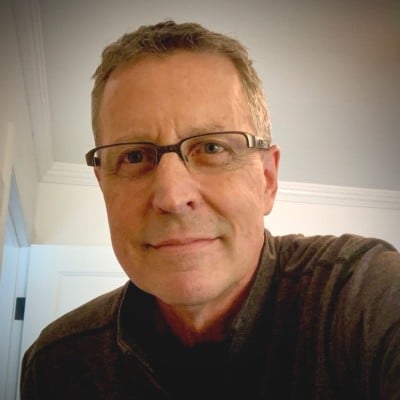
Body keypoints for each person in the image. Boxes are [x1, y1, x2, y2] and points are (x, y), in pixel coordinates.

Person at [21, 20, 400, 399]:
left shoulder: (361, 295)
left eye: (212, 148)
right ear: (103, 185)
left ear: (267, 180)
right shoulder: (57, 366)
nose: (172, 197)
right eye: (134, 156)